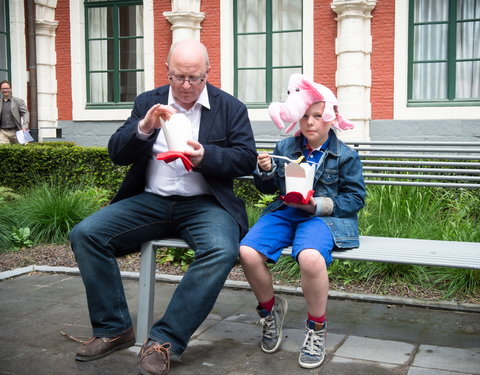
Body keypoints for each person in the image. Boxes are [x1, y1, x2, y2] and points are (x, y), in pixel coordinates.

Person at [69, 39, 257, 375]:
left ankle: (163, 340)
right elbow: (117, 153)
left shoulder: (230, 108)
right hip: (150, 202)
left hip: (205, 205)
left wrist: (205, 157)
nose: (187, 86)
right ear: (167, 72)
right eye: (179, 77)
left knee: (222, 249)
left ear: (208, 74)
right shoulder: (148, 102)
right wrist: (144, 128)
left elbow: (245, 159)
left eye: (195, 79)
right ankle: (114, 329)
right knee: (86, 234)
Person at [239, 76, 365, 369]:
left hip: (322, 217)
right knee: (247, 251)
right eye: (305, 116)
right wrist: (266, 171)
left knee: (309, 258)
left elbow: (355, 198)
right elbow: (268, 189)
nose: (310, 123)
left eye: (318, 116)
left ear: (331, 118)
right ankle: (270, 312)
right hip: (286, 211)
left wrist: (316, 205)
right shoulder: (286, 145)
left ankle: (316, 328)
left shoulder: (345, 155)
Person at [0, 80, 30, 144]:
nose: (5, 90)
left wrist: (25, 126)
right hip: (2, 132)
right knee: (4, 151)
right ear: (0, 90)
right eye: (3, 88)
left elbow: (25, 113)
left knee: (19, 151)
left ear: (11, 89)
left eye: (7, 88)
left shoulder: (18, 101)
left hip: (16, 131)